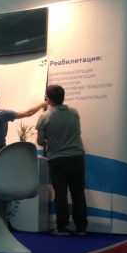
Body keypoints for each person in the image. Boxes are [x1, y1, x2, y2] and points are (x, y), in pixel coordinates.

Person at [36, 84, 87, 236]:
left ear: (48, 99)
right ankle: (81, 227)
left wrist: (51, 140)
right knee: (78, 193)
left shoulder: (44, 117)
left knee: (60, 194)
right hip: (77, 157)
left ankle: (62, 227)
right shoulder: (74, 112)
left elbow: (40, 141)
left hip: (57, 159)